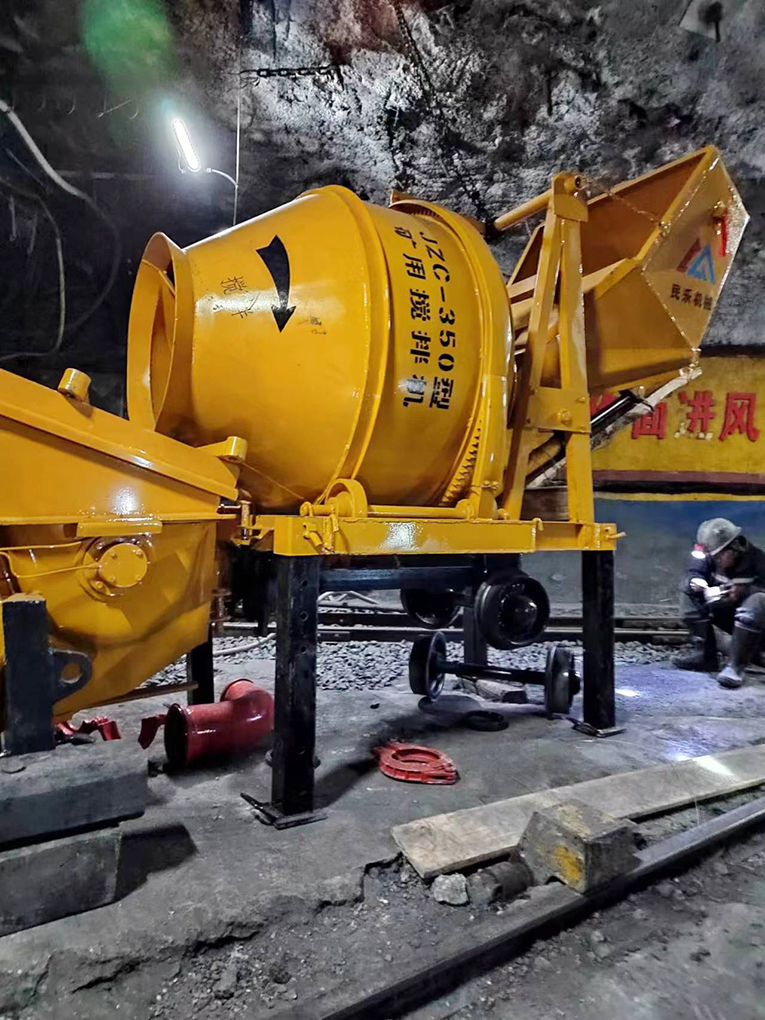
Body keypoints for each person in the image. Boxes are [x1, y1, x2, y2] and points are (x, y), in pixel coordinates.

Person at [674, 518, 765, 688]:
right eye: (711, 556)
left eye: (719, 555)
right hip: (723, 613)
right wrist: (695, 581)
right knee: (688, 593)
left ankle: (736, 667)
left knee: (758, 600)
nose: (715, 560)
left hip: (753, 626)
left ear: (735, 548)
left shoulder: (758, 561)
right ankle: (705, 656)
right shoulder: (708, 556)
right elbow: (692, 572)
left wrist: (744, 592)